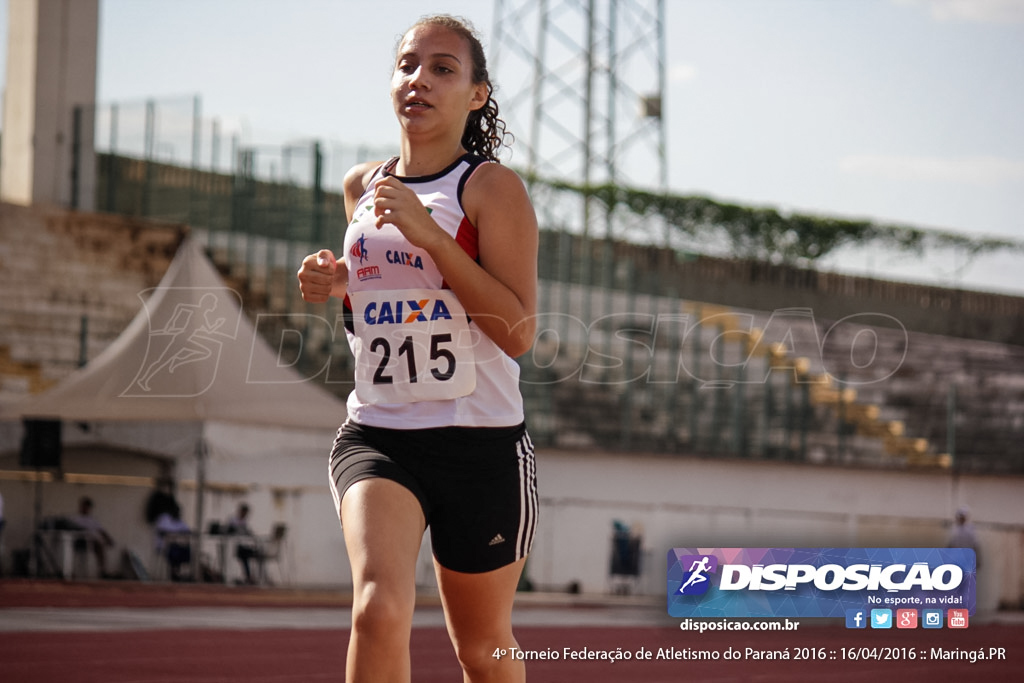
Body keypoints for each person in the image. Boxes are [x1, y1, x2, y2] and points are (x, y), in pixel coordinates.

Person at [296, 14, 539, 682]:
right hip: (382, 433)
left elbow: (517, 331)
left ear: (476, 94)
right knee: (377, 608)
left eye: (443, 69)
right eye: (408, 65)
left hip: (481, 444)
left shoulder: (492, 190)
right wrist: (336, 279)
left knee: (483, 649)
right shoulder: (361, 186)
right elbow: (381, 289)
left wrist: (432, 237)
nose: (420, 81)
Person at [69, 496, 115, 578]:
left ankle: (102, 571)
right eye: (84, 506)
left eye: (87, 507)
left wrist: (108, 539)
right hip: (79, 541)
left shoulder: (92, 520)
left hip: (91, 542)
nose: (85, 508)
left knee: (100, 545)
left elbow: (101, 530)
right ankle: (71, 572)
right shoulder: (75, 519)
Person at [225, 502, 262, 584]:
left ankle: (252, 577)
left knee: (258, 553)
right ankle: (248, 577)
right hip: (237, 546)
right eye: (244, 512)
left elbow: (247, 532)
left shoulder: (244, 522)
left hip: (244, 545)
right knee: (244, 555)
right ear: (241, 511)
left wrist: (252, 535)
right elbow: (229, 531)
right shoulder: (233, 520)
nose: (245, 515)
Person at [154, 504, 191, 582]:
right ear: (171, 511)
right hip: (163, 546)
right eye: (176, 512)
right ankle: (174, 573)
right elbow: (161, 532)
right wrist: (173, 535)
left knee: (186, 548)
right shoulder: (164, 519)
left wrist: (180, 535)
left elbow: (187, 530)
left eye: (179, 512)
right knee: (174, 550)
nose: (178, 514)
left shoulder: (179, 521)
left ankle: (179, 573)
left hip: (176, 545)